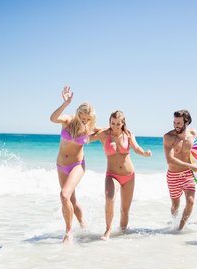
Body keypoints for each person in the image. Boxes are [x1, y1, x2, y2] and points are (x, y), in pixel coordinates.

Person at [90, 110, 152, 240]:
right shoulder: (103, 134)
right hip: (112, 175)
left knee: (125, 210)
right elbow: (86, 138)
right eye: (113, 123)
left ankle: (122, 234)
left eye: (118, 124)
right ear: (109, 122)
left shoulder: (128, 134)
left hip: (129, 176)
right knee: (109, 199)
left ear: (123, 123)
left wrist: (145, 153)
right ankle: (108, 231)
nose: (115, 126)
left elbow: (136, 148)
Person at [50, 85, 99, 244]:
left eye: (87, 119)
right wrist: (65, 103)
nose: (85, 122)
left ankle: (68, 232)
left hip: (77, 165)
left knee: (64, 195)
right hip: (61, 165)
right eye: (82, 118)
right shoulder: (68, 120)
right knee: (71, 199)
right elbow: (52, 118)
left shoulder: (88, 127)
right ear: (77, 114)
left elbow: (106, 131)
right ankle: (84, 225)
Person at [163, 109, 197, 230]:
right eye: (174, 123)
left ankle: (180, 228)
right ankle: (174, 223)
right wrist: (191, 166)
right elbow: (169, 160)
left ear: (186, 122)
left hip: (187, 174)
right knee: (175, 205)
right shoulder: (169, 137)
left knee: (190, 201)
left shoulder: (193, 133)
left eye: (179, 123)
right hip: (173, 175)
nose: (176, 126)